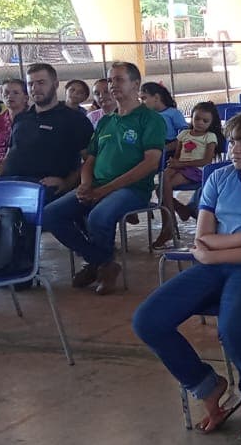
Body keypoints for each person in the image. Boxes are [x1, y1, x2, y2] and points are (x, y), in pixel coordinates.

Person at [132, 111, 241, 438]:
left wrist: (214, 251)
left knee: (234, 327)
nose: (236, 149)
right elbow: (202, 237)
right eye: (234, 141)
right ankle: (206, 386)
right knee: (148, 320)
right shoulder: (219, 178)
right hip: (217, 264)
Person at [43, 62, 164, 295]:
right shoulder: (106, 121)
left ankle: (98, 266)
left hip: (132, 190)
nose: (112, 85)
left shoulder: (150, 119)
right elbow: (90, 159)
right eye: (110, 80)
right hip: (97, 186)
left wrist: (104, 190)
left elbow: (151, 162)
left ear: (135, 84)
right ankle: (102, 262)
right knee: (50, 214)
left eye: (119, 80)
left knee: (98, 217)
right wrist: (86, 184)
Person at [0, 63, 94, 199]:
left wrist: (67, 183)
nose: (35, 88)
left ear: (55, 84)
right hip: (8, 184)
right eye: (30, 84)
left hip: (43, 188)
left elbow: (90, 160)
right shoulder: (21, 118)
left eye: (41, 83)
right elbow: (10, 153)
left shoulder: (75, 119)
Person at [153, 101, 225, 249]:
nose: (200, 123)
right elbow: (178, 155)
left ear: (211, 123)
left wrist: (179, 164)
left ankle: (169, 225)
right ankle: (178, 213)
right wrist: (174, 163)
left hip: (197, 170)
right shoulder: (184, 134)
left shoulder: (210, 136)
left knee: (163, 186)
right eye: (196, 118)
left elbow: (206, 161)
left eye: (205, 121)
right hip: (181, 166)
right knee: (161, 183)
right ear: (191, 117)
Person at [0, 78, 29, 166]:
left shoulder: (32, 119)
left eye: (15, 93)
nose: (10, 96)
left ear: (26, 98)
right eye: (6, 93)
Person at [140, 82, 187, 151]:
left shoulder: (173, 113)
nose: (142, 103)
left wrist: (168, 147)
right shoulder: (147, 115)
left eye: (144, 98)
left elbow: (185, 134)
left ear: (156, 97)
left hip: (168, 148)